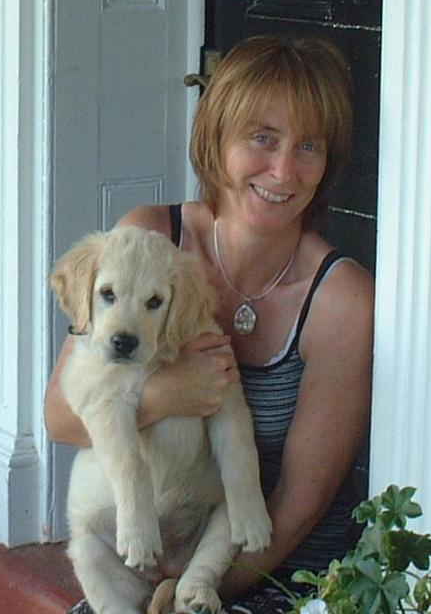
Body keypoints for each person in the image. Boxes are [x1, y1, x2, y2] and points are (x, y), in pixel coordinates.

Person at [44, 34, 375, 614]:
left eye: (309, 146)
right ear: (215, 136)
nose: (283, 169)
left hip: (270, 575)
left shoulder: (342, 300)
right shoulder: (148, 238)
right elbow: (60, 417)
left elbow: (298, 503)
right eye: (262, 138)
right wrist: (171, 394)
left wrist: (201, 589)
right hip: (138, 555)